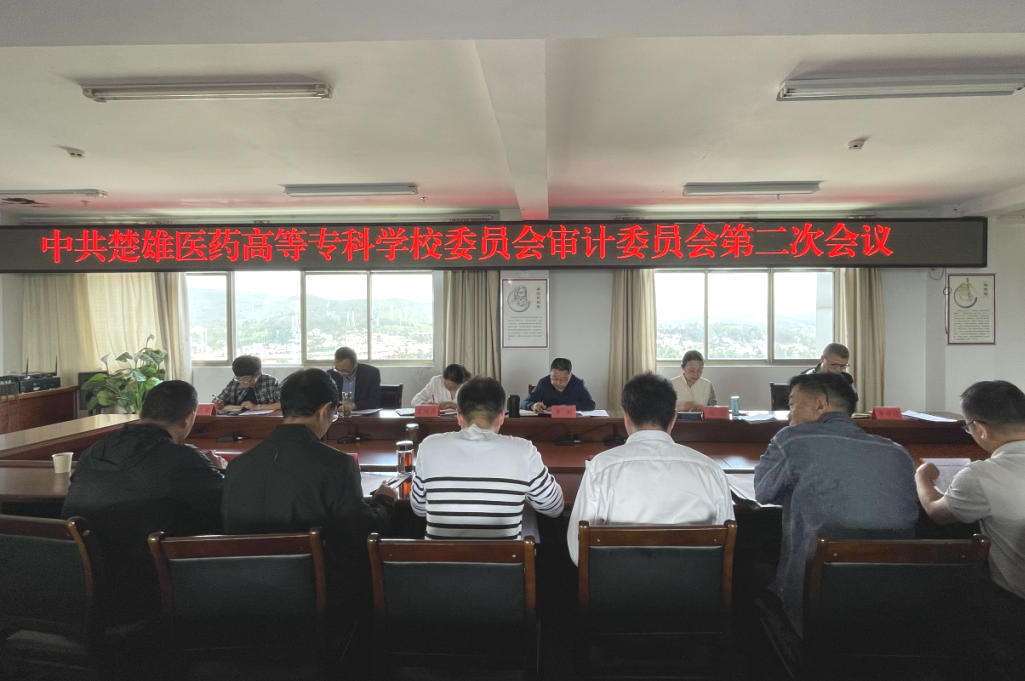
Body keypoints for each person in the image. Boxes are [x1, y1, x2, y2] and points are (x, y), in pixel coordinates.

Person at [222, 368, 396, 620]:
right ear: (325, 410)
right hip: (320, 597)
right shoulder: (337, 464)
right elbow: (362, 533)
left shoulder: (238, 466)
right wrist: (384, 500)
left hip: (246, 595)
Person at [754, 372, 918, 636]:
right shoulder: (898, 452)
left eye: (792, 404)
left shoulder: (792, 439)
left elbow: (763, 493)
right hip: (897, 602)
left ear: (820, 405)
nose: (789, 415)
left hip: (814, 600)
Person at [62, 380, 225, 622]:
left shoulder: (97, 449)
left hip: (83, 584)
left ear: (140, 414)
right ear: (188, 419)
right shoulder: (181, 457)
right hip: (151, 588)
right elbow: (226, 504)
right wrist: (218, 470)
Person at [567, 372, 734, 565]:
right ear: (673, 418)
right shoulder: (711, 471)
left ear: (625, 416)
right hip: (694, 583)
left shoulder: (601, 468)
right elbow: (724, 550)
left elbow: (578, 551)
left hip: (618, 582)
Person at [411, 376, 564, 539]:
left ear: (458, 415)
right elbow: (554, 507)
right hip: (502, 556)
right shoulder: (523, 450)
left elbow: (418, 509)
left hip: (441, 555)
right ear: (501, 416)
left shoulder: (429, 446)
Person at [916, 380, 1025, 598]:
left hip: (1012, 604)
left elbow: (937, 513)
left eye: (968, 428)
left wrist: (922, 475)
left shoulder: (981, 474)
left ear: (981, 429)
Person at [520, 357, 596, 413]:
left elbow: (590, 404)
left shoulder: (578, 383)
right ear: (550, 373)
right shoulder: (544, 382)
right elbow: (524, 403)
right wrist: (533, 405)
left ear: (570, 375)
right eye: (554, 378)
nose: (558, 383)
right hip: (548, 422)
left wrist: (567, 407)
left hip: (572, 422)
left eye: (563, 379)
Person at [212, 354, 281, 411]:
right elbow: (219, 399)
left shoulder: (271, 382)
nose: (241, 382)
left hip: (265, 419)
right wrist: (218, 404)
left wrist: (256, 407)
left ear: (258, 375)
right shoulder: (235, 383)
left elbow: (284, 404)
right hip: (238, 420)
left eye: (246, 379)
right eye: (238, 378)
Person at [327, 346, 381, 411]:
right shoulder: (331, 374)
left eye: (345, 370)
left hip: (362, 414)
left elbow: (374, 401)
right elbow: (327, 399)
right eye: (337, 369)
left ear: (355, 364)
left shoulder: (371, 373)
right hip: (339, 414)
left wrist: (355, 405)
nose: (340, 373)